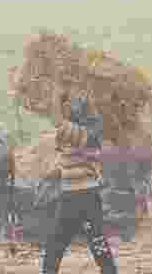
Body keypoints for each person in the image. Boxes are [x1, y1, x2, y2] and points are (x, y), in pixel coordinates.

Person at [40, 92, 117, 274]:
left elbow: (56, 120)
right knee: (98, 243)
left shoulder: (76, 132)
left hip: (75, 198)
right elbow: (72, 162)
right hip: (87, 198)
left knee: (55, 245)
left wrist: (55, 91)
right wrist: (53, 174)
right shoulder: (87, 136)